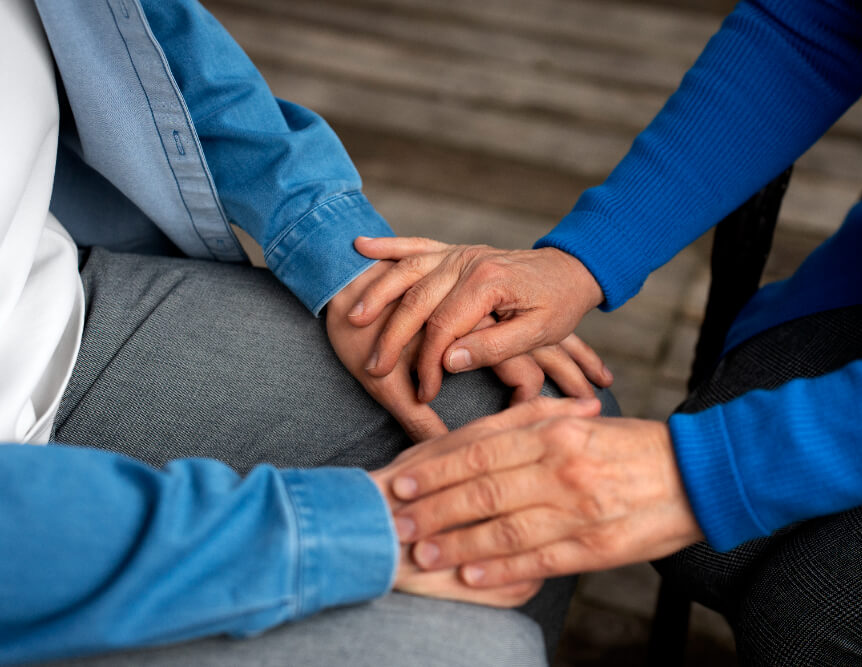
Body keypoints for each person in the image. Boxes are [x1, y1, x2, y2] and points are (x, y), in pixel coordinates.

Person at [349, 0, 862, 664]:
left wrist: (702, 473)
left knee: (820, 612)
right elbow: (817, 19)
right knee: (705, 547)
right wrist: (583, 257)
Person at [0, 0, 617, 664]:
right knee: (479, 650)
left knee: (540, 411)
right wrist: (330, 530)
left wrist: (344, 261)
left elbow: (135, 29)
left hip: (51, 311)